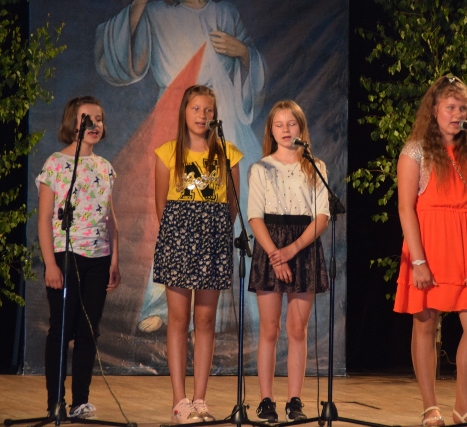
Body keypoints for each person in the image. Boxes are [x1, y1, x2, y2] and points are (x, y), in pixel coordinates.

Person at [95, 0, 265, 336]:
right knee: (171, 207)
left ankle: (230, 306)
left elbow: (251, 70)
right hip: (175, 115)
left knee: (233, 204)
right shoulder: (157, 12)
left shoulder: (224, 13)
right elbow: (126, 63)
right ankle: (162, 305)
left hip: (222, 119)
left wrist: (244, 54)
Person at [394, 76, 467, 426]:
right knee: (425, 324)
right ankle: (430, 406)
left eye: (462, 108)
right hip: (429, 247)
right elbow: (406, 208)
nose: (457, 114)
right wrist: (418, 261)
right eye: (450, 107)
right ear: (433, 110)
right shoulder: (415, 152)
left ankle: (464, 405)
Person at [153, 85, 242, 423]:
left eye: (208, 110)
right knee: (178, 319)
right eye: (196, 109)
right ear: (184, 112)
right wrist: (181, 235)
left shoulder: (227, 154)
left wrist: (212, 231)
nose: (203, 116)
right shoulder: (167, 152)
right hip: (177, 239)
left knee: (205, 320)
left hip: (214, 240)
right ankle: (180, 400)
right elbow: (161, 206)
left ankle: (200, 399)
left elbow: (231, 204)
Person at [36, 96, 120, 419]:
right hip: (65, 254)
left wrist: (114, 258)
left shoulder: (104, 167)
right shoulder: (56, 164)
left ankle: (80, 401)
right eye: (87, 119)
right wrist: (50, 263)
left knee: (88, 330)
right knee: (61, 328)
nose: (94, 125)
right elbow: (45, 218)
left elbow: (110, 218)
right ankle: (55, 402)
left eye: (99, 119)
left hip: (98, 256)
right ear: (73, 123)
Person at [247, 100, 330, 423]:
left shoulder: (315, 167)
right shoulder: (261, 168)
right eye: (279, 124)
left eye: (291, 124)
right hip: (270, 244)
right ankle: (266, 399)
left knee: (298, 329)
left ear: (301, 128)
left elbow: (322, 216)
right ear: (271, 130)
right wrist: (275, 255)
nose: (285, 130)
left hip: (303, 245)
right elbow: (255, 217)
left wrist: (293, 250)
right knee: (270, 328)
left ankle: (295, 400)